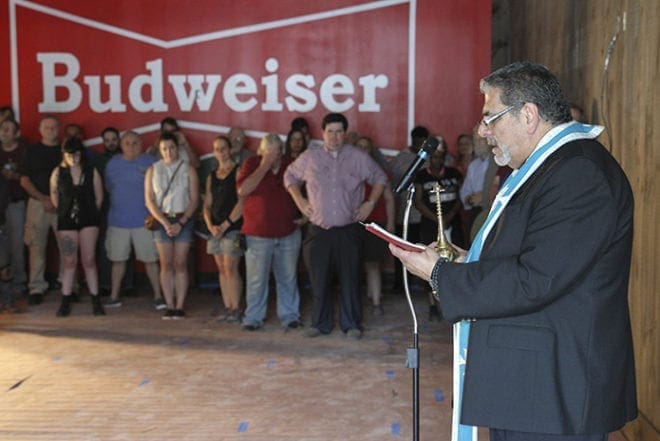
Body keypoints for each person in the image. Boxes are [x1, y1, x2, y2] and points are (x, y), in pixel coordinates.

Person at [389, 61, 637, 441]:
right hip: (533, 386)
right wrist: (464, 261)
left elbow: (537, 278)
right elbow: (535, 256)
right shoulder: (552, 167)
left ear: (528, 115)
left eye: (491, 118)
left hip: (555, 389)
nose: (482, 131)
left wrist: (441, 274)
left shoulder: (578, 174)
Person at [284, 112, 387, 340]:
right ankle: (320, 324)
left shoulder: (357, 157)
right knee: (318, 280)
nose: (334, 136)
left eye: (339, 131)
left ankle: (351, 325)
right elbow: (289, 176)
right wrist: (300, 201)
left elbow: (380, 177)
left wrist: (370, 203)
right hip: (318, 231)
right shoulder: (310, 156)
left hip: (348, 230)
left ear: (345, 133)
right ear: (323, 133)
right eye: (330, 131)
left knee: (350, 279)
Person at [238, 133, 302, 331]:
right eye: (268, 152)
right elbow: (243, 190)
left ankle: (290, 315)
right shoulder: (251, 163)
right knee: (256, 279)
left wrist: (305, 217)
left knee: (288, 277)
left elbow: (308, 189)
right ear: (261, 151)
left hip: (288, 231)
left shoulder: (290, 164)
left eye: (276, 152)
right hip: (258, 234)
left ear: (282, 151)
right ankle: (253, 317)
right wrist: (264, 165)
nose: (273, 156)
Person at [104, 131, 163, 309]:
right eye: (127, 143)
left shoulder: (152, 163)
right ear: (121, 145)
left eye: (135, 143)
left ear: (141, 144)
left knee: (151, 261)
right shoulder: (112, 164)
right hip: (118, 221)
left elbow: (159, 192)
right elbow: (109, 188)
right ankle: (114, 297)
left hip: (145, 222)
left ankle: (159, 296)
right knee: (118, 260)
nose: (131, 146)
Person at [145, 132, 199, 319]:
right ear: (160, 150)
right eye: (164, 148)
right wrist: (165, 222)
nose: (168, 152)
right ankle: (169, 304)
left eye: (172, 148)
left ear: (178, 148)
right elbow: (149, 200)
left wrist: (181, 222)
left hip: (183, 218)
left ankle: (180, 305)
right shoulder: (153, 169)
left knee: (180, 263)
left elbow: (194, 199)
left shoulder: (188, 168)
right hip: (162, 221)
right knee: (166, 264)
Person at [49, 138, 104, 316]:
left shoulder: (91, 171)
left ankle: (96, 301)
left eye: (77, 154)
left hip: (88, 219)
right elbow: (54, 193)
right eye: (70, 154)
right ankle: (65, 301)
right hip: (67, 220)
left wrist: (91, 213)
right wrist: (62, 210)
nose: (73, 158)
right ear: (64, 155)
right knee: (69, 261)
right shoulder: (58, 172)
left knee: (89, 260)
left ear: (82, 154)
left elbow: (99, 196)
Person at [20, 116, 68, 305]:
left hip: (62, 205)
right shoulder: (31, 151)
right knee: (36, 247)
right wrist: (44, 199)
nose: (50, 129)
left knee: (67, 246)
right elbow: (24, 180)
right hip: (37, 204)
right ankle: (37, 287)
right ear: (40, 130)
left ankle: (68, 285)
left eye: (54, 127)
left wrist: (57, 200)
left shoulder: (66, 151)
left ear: (59, 129)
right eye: (47, 127)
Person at [202, 135, 244, 323]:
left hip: (233, 227)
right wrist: (211, 225)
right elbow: (207, 205)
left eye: (224, 148)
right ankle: (227, 306)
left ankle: (236, 308)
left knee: (231, 267)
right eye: (217, 149)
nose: (221, 152)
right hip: (215, 230)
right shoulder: (211, 176)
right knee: (221, 269)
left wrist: (226, 224)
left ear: (230, 150)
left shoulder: (238, 171)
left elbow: (243, 202)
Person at [355, 136, 395, 315]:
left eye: (366, 147)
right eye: (360, 147)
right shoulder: (349, 170)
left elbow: (388, 199)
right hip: (353, 223)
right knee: (355, 264)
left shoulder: (379, 172)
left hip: (375, 223)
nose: (363, 151)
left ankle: (376, 302)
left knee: (372, 264)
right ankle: (366, 298)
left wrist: (391, 224)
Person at [0, 119, 28, 301]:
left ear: (17, 133)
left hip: (16, 202)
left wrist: (16, 176)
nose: (4, 133)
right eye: (2, 129)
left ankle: (19, 283)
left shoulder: (24, 151)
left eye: (9, 130)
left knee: (16, 246)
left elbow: (31, 174)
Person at [459, 124, 491, 245]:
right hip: (475, 212)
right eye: (475, 140)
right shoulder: (474, 165)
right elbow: (464, 191)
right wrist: (469, 199)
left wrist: (484, 196)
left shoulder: (498, 162)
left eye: (481, 139)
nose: (477, 143)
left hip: (491, 211)